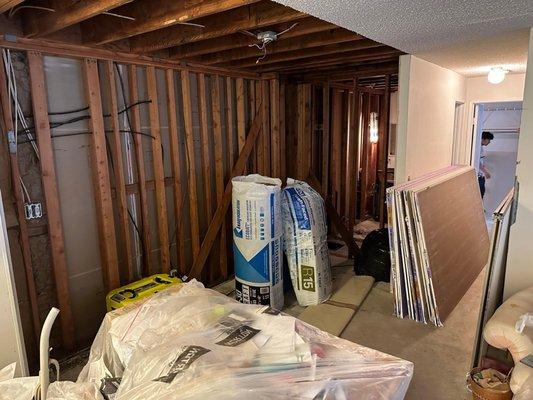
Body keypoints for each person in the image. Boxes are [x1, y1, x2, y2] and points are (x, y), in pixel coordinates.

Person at [478, 131, 494, 198]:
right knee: (479, 195)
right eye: (489, 140)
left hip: (481, 175)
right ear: (484, 138)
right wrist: (486, 172)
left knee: (481, 194)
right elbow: (477, 162)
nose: (489, 142)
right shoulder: (477, 148)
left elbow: (480, 161)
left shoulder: (480, 148)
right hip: (478, 176)